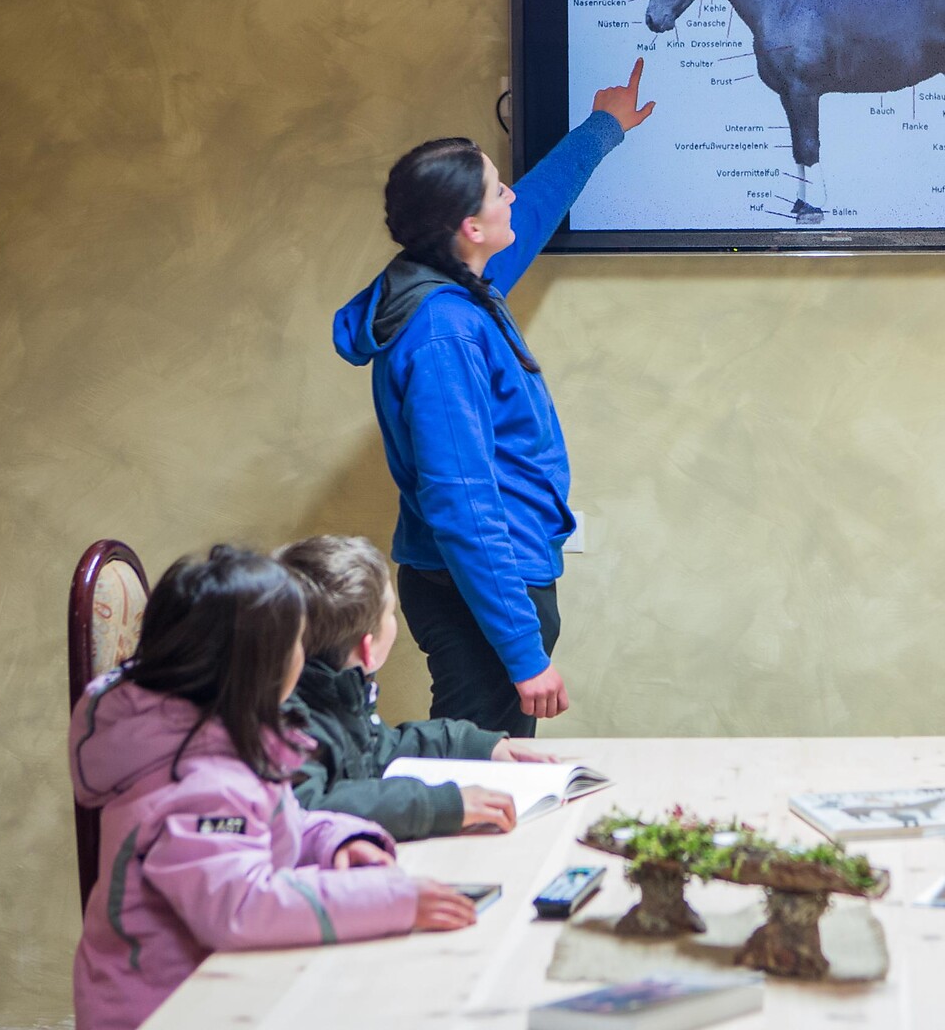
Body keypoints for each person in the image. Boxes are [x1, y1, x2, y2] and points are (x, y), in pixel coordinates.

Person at [333, 63, 654, 734]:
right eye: (494, 188)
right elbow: (462, 501)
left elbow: (532, 208)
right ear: (469, 228)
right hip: (478, 588)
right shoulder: (442, 333)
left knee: (488, 768)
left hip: (484, 581)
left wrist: (604, 127)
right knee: (478, 771)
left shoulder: (454, 281)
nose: (508, 193)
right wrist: (524, 655)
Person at [70, 546, 476, 1030]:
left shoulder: (216, 736)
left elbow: (269, 823)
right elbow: (242, 905)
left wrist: (334, 839)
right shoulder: (201, 781)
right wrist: (391, 899)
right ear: (264, 665)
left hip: (221, 984)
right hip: (169, 1006)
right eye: (298, 643)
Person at [276, 534, 561, 840]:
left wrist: (479, 746)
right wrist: (438, 806)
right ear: (367, 649)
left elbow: (381, 748)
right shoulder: (288, 720)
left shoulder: (333, 692)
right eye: (390, 614)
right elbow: (307, 808)